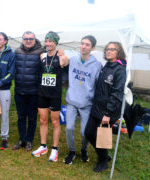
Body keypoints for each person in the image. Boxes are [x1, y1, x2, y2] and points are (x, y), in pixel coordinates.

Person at [85, 42, 127, 172]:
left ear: (118, 52)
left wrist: (107, 114)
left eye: (113, 49)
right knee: (88, 133)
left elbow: (117, 93)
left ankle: (103, 161)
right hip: (97, 107)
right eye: (107, 49)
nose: (109, 51)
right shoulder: (107, 65)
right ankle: (104, 155)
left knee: (101, 136)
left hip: (108, 110)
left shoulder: (119, 69)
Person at [64, 35, 102, 165]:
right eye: (82, 43)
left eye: (87, 44)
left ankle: (84, 149)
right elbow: (62, 62)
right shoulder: (73, 60)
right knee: (69, 128)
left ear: (93, 48)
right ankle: (71, 151)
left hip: (87, 103)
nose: (83, 46)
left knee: (84, 131)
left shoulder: (97, 66)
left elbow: (98, 86)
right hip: (72, 101)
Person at [32, 31, 69, 162]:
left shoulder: (62, 58)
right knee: (42, 120)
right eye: (46, 41)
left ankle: (55, 148)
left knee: (55, 121)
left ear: (56, 43)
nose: (48, 43)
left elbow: (69, 65)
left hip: (55, 95)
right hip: (42, 93)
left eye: (51, 41)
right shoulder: (42, 55)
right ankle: (43, 146)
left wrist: (62, 52)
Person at [12, 31, 44, 151]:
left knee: (31, 117)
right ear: (22, 40)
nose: (28, 41)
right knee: (21, 117)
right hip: (19, 90)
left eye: (31, 38)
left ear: (35, 39)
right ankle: (22, 139)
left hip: (34, 91)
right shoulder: (17, 52)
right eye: (26, 38)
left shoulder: (41, 52)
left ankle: (29, 140)